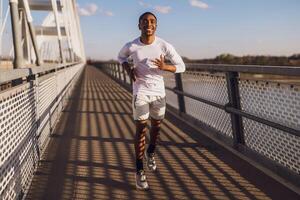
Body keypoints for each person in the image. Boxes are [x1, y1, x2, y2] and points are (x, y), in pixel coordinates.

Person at [118, 12, 185, 190]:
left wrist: (165, 67)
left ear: (156, 25)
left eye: (152, 21)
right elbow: (120, 57)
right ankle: (139, 170)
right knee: (141, 129)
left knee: (156, 127)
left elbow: (181, 66)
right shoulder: (131, 46)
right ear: (139, 25)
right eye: (145, 21)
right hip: (140, 92)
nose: (149, 24)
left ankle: (151, 152)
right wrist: (127, 69)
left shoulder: (164, 45)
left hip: (159, 94)